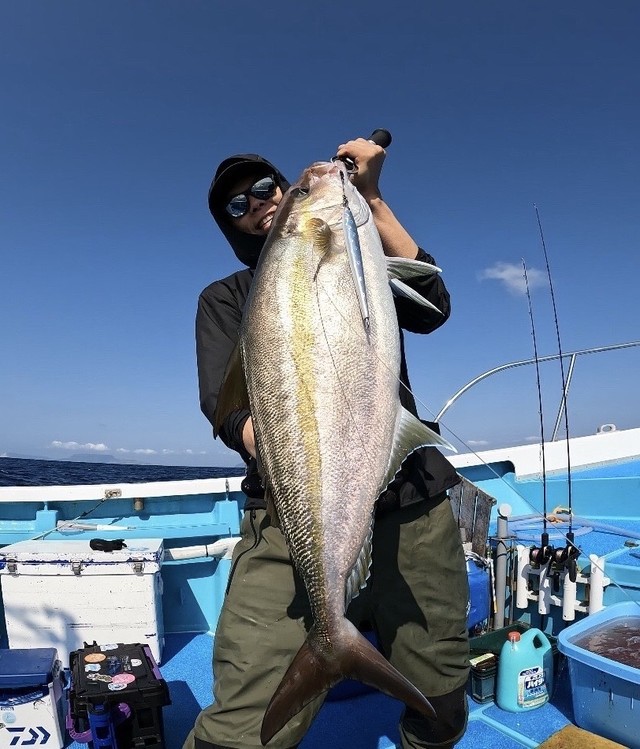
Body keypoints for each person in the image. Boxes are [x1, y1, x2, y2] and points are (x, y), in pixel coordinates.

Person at [184, 138, 469, 749]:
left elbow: (433, 307)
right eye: (236, 205)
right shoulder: (224, 300)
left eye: (266, 188)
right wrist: (296, 459)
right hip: (291, 514)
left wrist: (372, 197)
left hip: (411, 502)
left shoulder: (365, 261)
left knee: (441, 699)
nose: (256, 204)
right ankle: (325, 640)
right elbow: (226, 410)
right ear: (229, 228)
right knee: (242, 726)